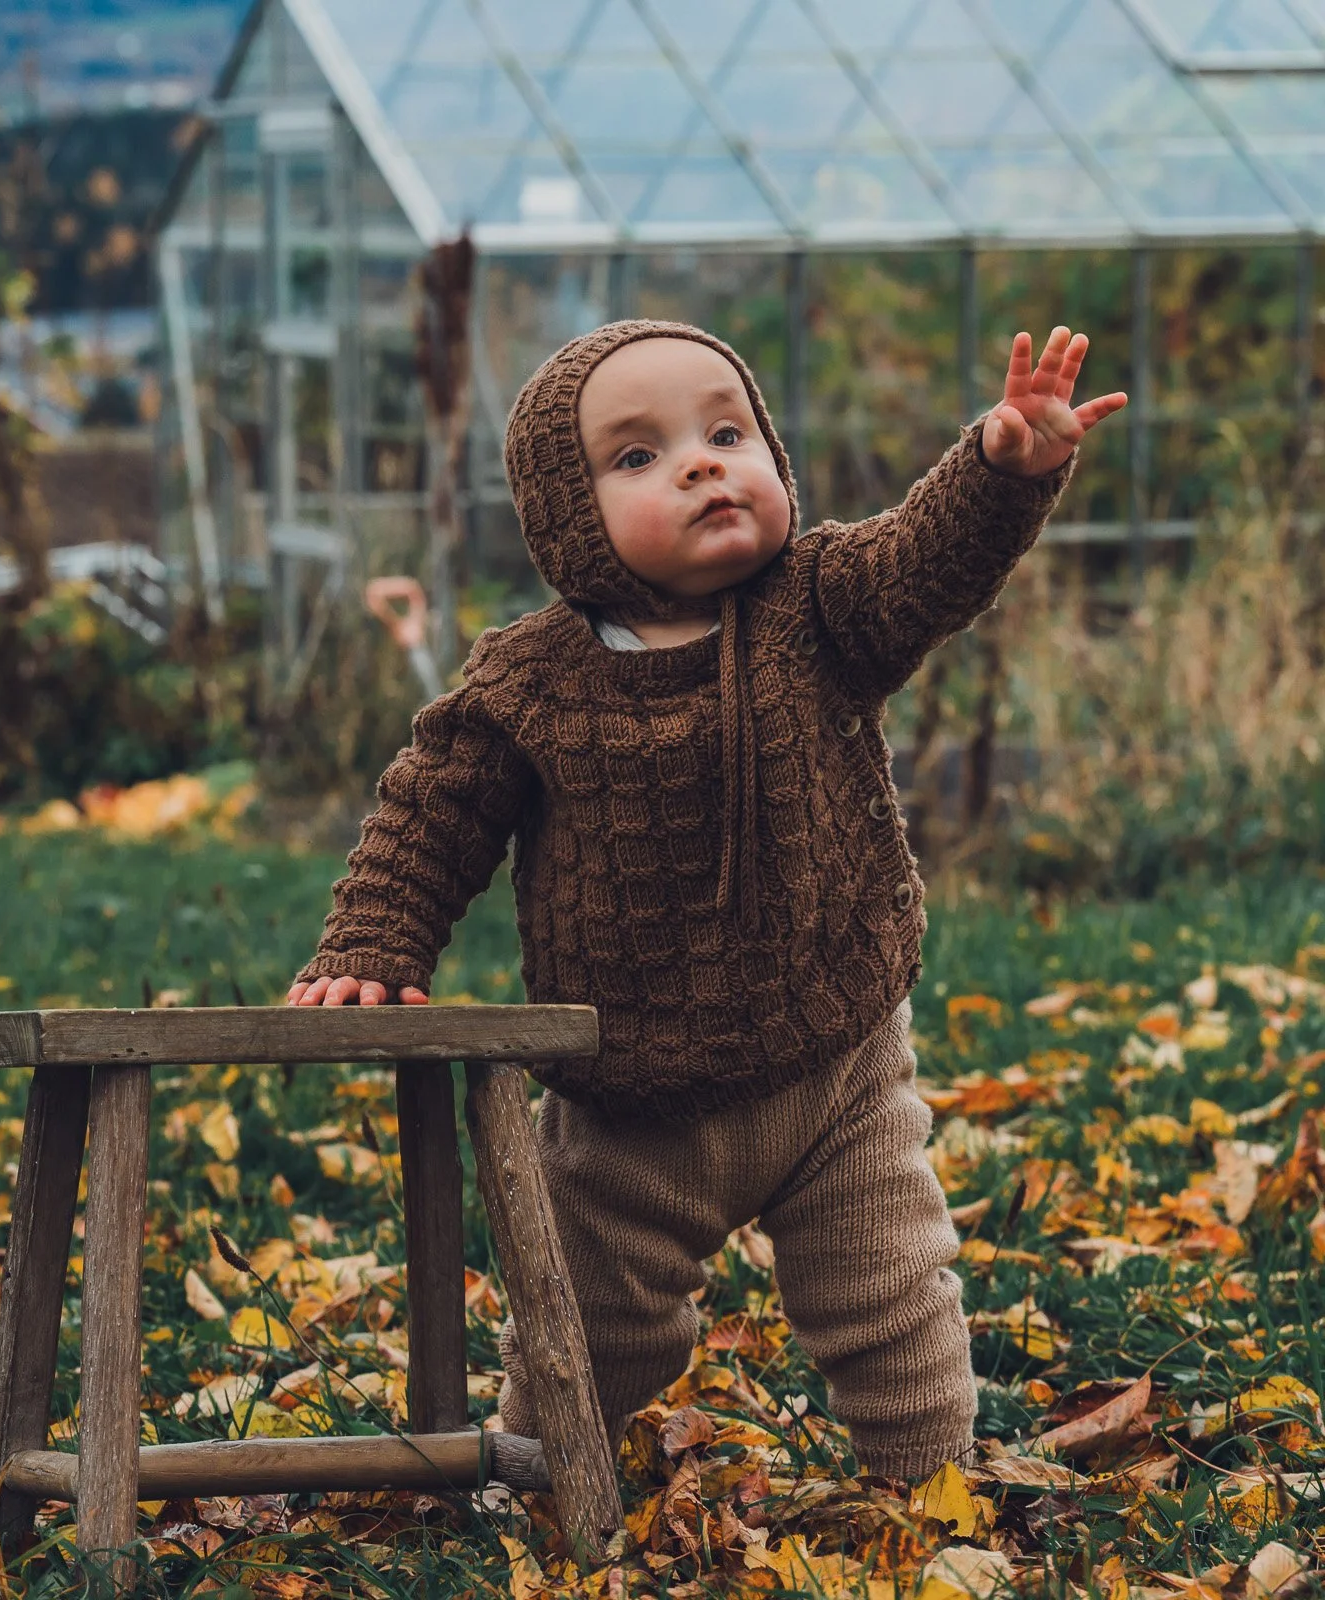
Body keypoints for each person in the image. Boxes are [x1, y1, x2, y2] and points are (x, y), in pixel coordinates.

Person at [287, 320, 1125, 1480]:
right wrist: (375, 934)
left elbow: (919, 561)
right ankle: (543, 1468)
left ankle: (931, 1481)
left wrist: (1000, 468)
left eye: (725, 432)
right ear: (564, 516)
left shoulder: (821, 603)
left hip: (833, 1058)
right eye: (637, 457)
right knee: (584, 1319)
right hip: (632, 1094)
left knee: (889, 1287)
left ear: (772, 454)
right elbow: (432, 809)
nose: (697, 463)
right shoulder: (528, 678)